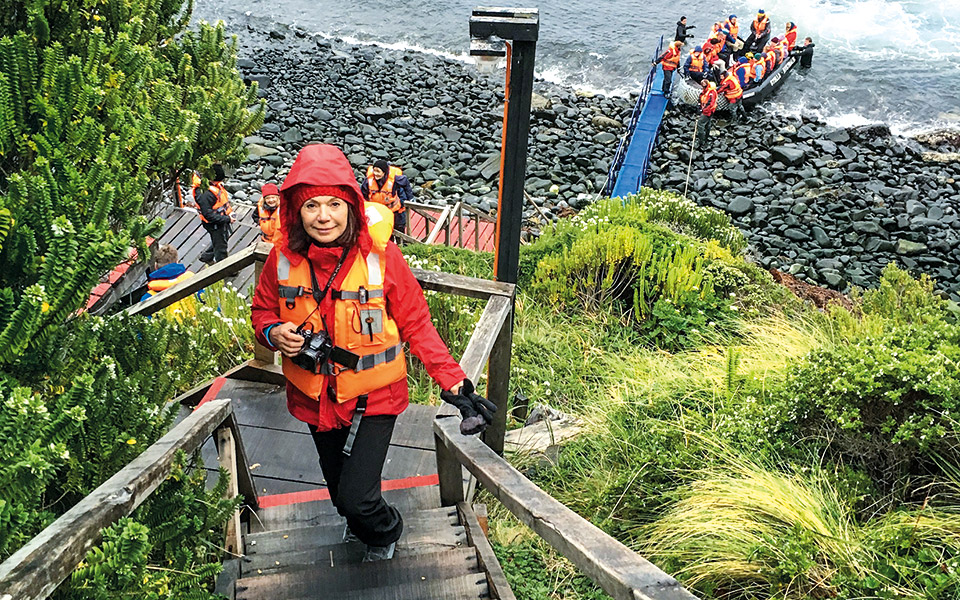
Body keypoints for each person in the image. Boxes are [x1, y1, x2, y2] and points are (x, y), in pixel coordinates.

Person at [250, 144, 495, 563]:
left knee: (357, 498)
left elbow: (417, 324)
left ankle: (385, 531)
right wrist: (274, 333)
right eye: (311, 205)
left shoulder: (382, 258)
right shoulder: (281, 258)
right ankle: (362, 518)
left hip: (375, 397)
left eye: (333, 204)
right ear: (296, 209)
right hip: (314, 397)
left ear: (351, 205)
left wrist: (454, 382)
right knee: (339, 493)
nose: (323, 216)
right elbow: (262, 312)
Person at [196, 164, 235, 264]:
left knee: (221, 240)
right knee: (221, 248)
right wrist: (227, 219)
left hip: (221, 220)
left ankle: (207, 256)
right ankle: (224, 270)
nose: (220, 182)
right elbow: (208, 215)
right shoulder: (204, 193)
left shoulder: (213, 186)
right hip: (214, 224)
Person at [360, 160, 412, 233]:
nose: (375, 174)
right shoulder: (368, 181)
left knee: (399, 228)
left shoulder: (395, 179)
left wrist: (410, 198)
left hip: (393, 209)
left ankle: (402, 244)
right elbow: (362, 194)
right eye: (374, 171)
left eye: (378, 171)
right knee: (384, 231)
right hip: (377, 211)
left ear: (384, 172)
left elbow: (405, 182)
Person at [696, 79, 718, 150]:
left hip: (708, 111)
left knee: (700, 124)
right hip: (708, 111)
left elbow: (710, 104)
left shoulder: (711, 93)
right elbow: (701, 99)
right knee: (707, 124)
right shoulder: (705, 92)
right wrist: (699, 106)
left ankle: (701, 142)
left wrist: (702, 111)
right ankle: (706, 139)